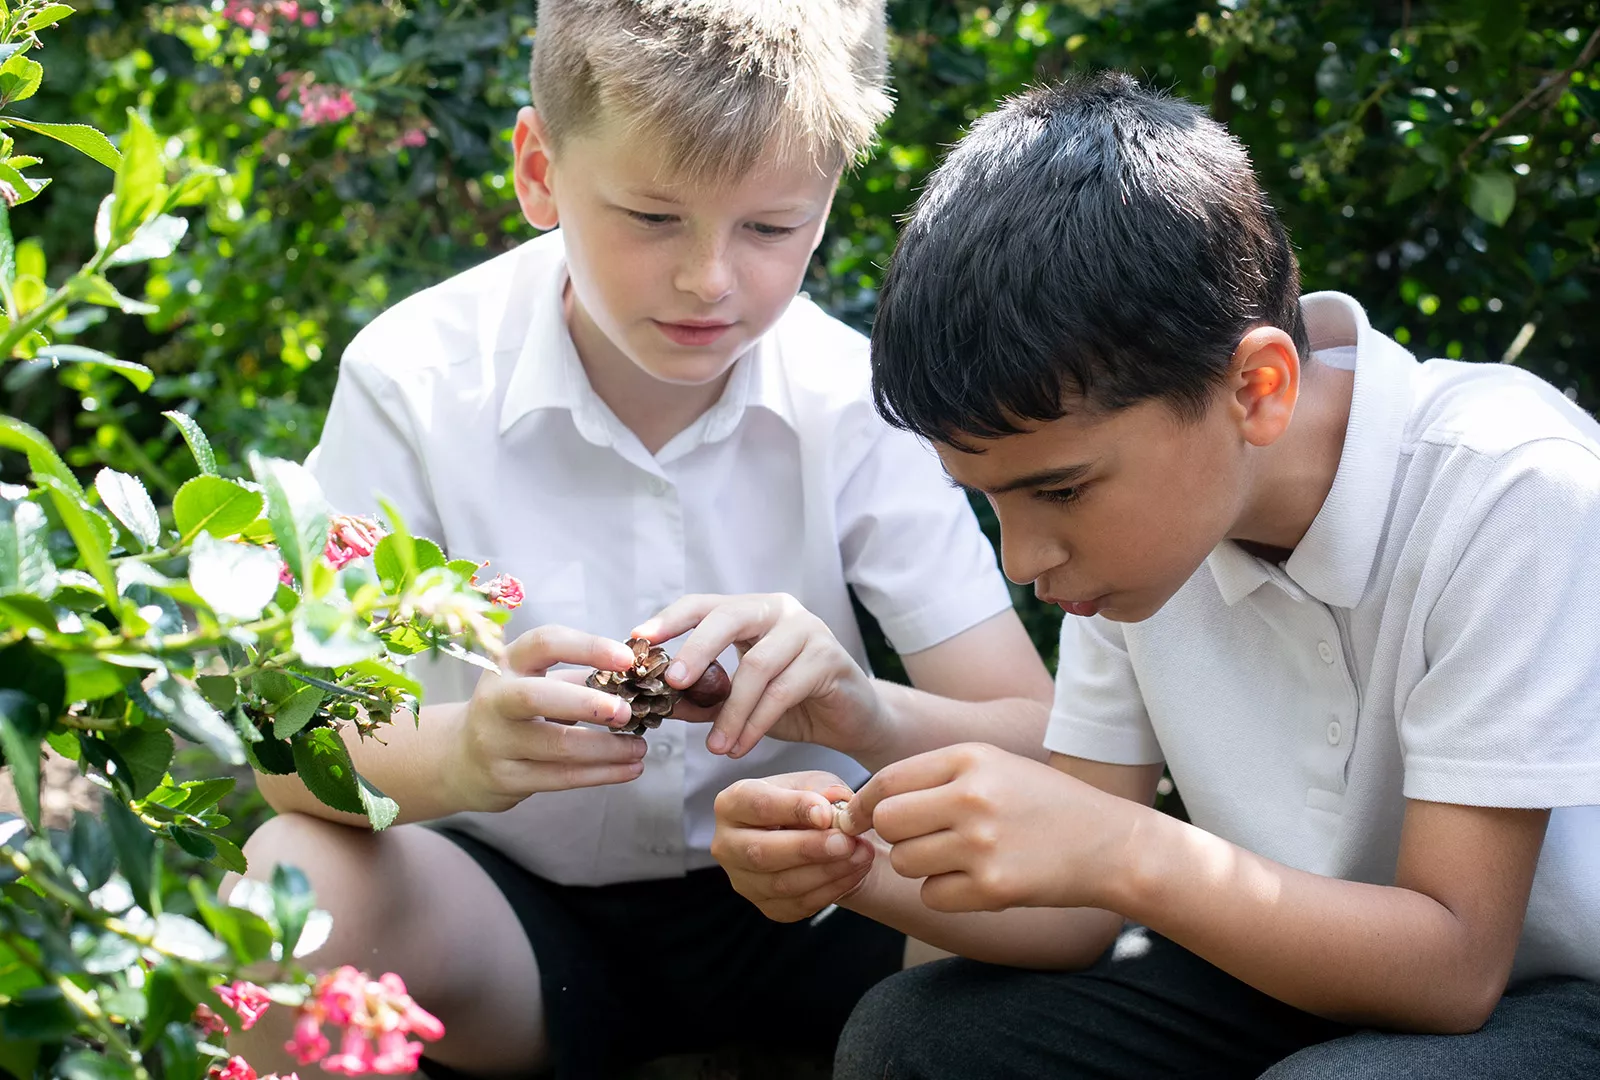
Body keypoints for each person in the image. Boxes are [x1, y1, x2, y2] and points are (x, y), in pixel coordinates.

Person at [711, 72, 1600, 1078]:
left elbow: (1452, 970)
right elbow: (1079, 914)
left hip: (1551, 997)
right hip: (1277, 966)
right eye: (990, 500)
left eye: (1061, 492)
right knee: (913, 1038)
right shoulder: (1138, 549)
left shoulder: (1508, 487)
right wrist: (854, 864)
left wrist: (1121, 848)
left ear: (1256, 389)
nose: (1023, 560)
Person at [225, 3, 1054, 1078]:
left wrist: (861, 705)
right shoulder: (415, 380)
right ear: (539, 170)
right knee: (295, 874)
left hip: (816, 894)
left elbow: (1038, 745)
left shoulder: (854, 399)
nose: (710, 279)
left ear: (830, 197)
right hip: (518, 925)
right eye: (652, 217)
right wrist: (471, 753)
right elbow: (288, 749)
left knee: (999, 872)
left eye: (769, 227)